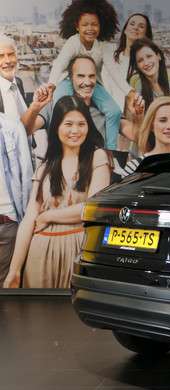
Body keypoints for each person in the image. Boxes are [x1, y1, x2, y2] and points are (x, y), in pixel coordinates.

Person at [3, 96, 110, 289]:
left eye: (81, 124)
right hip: (39, 256)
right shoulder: (45, 167)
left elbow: (93, 208)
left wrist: (49, 216)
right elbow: (29, 219)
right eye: (68, 124)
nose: (75, 130)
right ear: (56, 127)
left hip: (79, 253)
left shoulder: (98, 157)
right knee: (37, 308)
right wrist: (15, 270)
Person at [46, 0, 122, 150]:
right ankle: (56, 148)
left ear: (101, 25)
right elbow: (59, 64)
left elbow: (114, 72)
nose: (90, 28)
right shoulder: (73, 42)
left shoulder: (102, 46)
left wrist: (130, 92)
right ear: (77, 26)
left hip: (93, 84)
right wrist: (52, 85)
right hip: (68, 81)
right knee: (59, 107)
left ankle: (111, 150)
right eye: (85, 24)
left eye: (94, 24)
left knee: (114, 111)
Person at [34, 56, 143, 147]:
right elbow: (26, 129)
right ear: (70, 78)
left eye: (91, 76)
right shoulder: (54, 104)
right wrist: (35, 107)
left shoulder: (106, 110)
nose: (87, 82)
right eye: (80, 76)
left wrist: (138, 117)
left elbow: (141, 137)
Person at [0, 113, 33, 286]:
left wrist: (26, 221)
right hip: (9, 222)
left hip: (8, 221)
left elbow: (26, 175)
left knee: (6, 285)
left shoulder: (12, 127)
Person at [102, 13, 153, 111]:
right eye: (132, 24)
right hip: (109, 113)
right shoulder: (110, 57)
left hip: (135, 115)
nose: (135, 28)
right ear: (125, 29)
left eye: (141, 26)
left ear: (146, 34)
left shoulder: (147, 65)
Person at [128, 39, 170, 113]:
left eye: (149, 56)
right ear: (137, 66)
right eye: (140, 60)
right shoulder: (136, 81)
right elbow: (134, 114)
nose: (146, 63)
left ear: (158, 56)